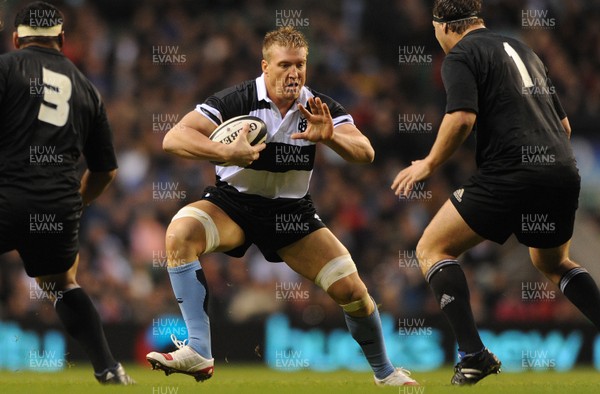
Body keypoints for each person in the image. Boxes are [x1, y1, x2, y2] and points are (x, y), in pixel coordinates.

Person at [146, 26, 418, 386]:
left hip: (292, 215)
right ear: (265, 66)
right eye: (285, 65)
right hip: (234, 205)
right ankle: (199, 350)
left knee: (352, 291)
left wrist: (332, 136)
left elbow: (366, 152)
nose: (294, 73)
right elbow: (174, 137)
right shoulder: (236, 100)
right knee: (180, 233)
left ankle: (386, 373)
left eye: (301, 65)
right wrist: (225, 151)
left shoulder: (317, 107)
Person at [392, 0, 600, 386]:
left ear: (443, 26)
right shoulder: (525, 50)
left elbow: (461, 117)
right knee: (553, 263)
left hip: (511, 171)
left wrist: (428, 164)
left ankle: (474, 355)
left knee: (432, 248)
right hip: (562, 170)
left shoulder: (460, 55)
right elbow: (565, 126)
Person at [0, 2, 134, 385]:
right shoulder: (88, 89)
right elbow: (106, 170)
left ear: (15, 39)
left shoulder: (5, 68)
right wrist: (76, 202)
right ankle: (108, 367)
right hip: (58, 207)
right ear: (61, 39)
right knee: (61, 284)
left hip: (7, 196)